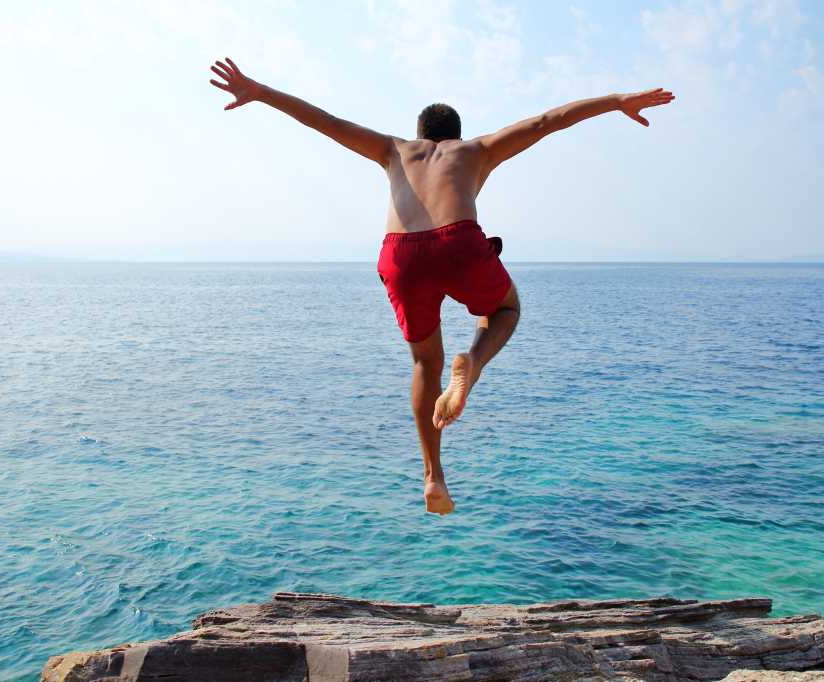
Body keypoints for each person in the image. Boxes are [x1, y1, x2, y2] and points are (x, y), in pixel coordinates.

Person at [209, 57, 674, 515]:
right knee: (505, 311)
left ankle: (433, 475)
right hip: (458, 242)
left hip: (400, 255)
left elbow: (326, 121)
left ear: (420, 135)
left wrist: (260, 92)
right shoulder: (476, 150)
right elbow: (548, 120)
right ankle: (472, 361)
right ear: (455, 133)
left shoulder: (394, 149)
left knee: (423, 362)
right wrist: (615, 101)